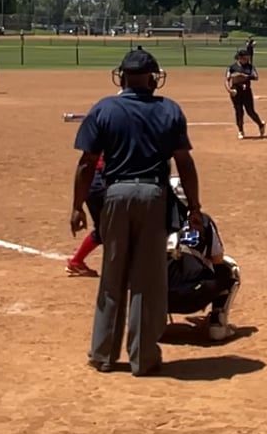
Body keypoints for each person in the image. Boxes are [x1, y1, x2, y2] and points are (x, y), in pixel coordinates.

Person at [70, 47, 201, 376]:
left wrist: (77, 206)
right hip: (154, 196)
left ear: (122, 77)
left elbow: (87, 163)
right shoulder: (169, 109)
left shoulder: (104, 108)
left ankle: (103, 354)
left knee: (112, 276)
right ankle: (143, 359)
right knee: (147, 280)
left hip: (115, 195)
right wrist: (195, 207)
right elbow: (184, 162)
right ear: (153, 78)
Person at [167, 191, 240, 342]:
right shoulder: (202, 220)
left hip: (158, 299)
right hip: (194, 297)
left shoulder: (152, 221)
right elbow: (217, 259)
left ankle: (147, 326)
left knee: (145, 268)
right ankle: (217, 326)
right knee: (229, 269)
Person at [65, 155, 107, 277]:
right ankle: (76, 262)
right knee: (109, 230)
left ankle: (77, 261)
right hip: (101, 180)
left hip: (98, 179)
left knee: (105, 230)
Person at [226, 48, 266, 140]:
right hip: (236, 91)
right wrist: (229, 90)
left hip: (246, 91)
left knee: (250, 111)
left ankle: (260, 124)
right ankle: (240, 130)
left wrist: (245, 76)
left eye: (247, 58)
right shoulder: (232, 67)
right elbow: (227, 79)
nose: (246, 59)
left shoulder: (250, 67)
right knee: (239, 111)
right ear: (239, 58)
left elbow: (256, 77)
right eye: (244, 58)